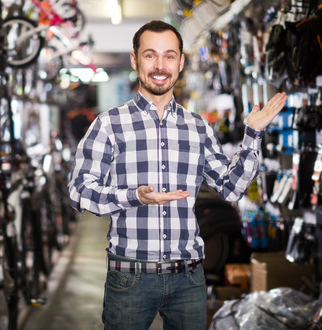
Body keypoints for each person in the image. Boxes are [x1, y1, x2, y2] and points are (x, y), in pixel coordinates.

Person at [67, 20, 287, 330]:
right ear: (134, 60)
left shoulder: (197, 127)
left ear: (181, 62)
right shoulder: (109, 125)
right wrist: (132, 196)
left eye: (169, 56)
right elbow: (78, 191)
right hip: (130, 274)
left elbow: (230, 188)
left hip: (188, 276)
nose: (160, 65)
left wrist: (252, 135)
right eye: (150, 55)